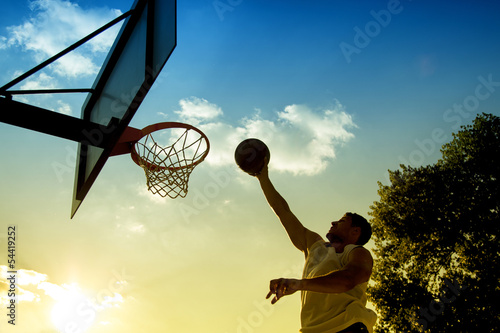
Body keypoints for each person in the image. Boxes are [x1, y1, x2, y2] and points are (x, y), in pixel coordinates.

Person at [254, 162, 377, 333]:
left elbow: (348, 280)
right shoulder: (315, 246)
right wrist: (262, 177)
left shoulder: (357, 253)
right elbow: (283, 211)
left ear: (355, 232)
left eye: (341, 221)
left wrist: (300, 284)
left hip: (347, 326)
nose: (333, 222)